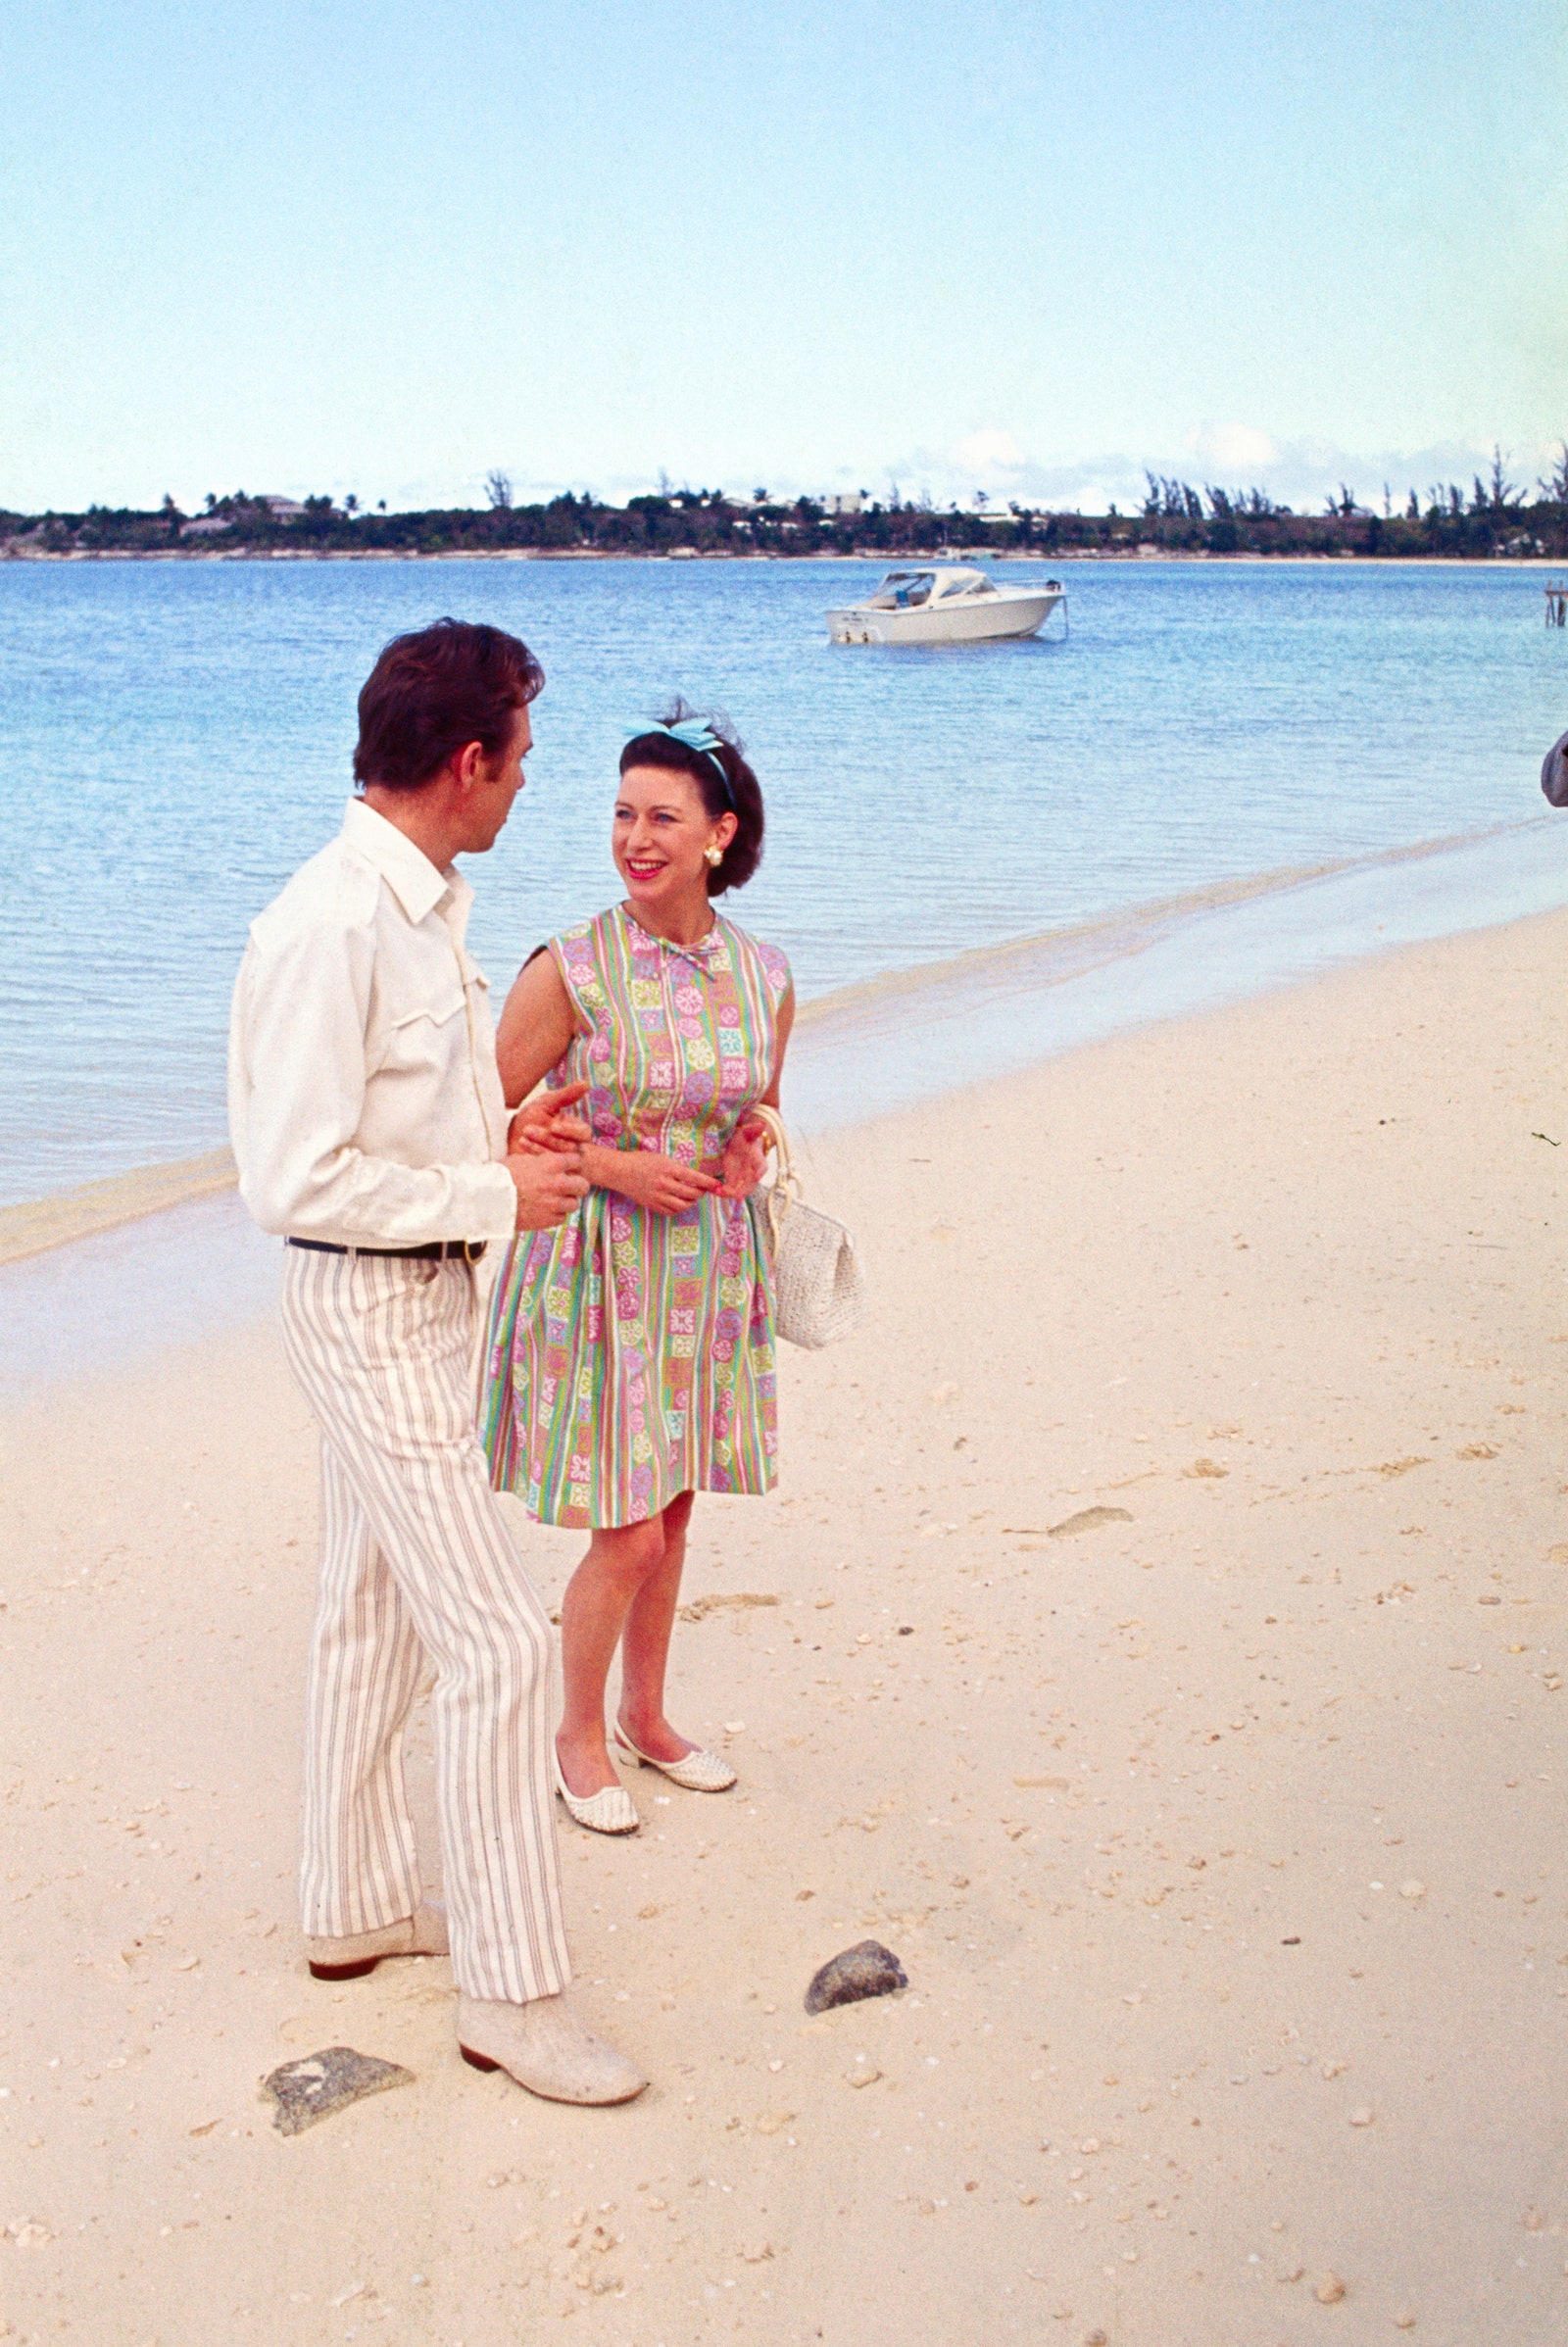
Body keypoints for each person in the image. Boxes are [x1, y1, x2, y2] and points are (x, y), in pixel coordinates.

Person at [227, 618, 645, 2103]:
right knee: (498, 1643)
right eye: (524, 755)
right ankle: (514, 1996)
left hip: (419, 1294)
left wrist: (495, 1143)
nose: (532, 780)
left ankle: (349, 1906)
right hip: (368, 1304)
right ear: (467, 761)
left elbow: (395, 1120)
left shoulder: (426, 906)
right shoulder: (326, 923)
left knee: (372, 1608)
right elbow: (291, 1179)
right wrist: (490, 1194)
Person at [480, 708, 792, 1835]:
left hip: (705, 1268)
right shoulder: (570, 967)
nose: (635, 837)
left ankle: (647, 1717)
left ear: (720, 833)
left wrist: (746, 1146)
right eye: (621, 813)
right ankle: (577, 1733)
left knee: (675, 1510)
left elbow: (755, 1107)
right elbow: (482, 1122)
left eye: (662, 816)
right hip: (596, 1270)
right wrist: (611, 1162)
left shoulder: (764, 974)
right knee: (629, 1532)